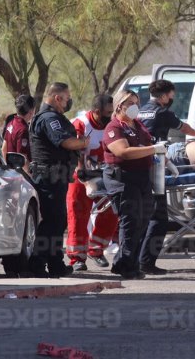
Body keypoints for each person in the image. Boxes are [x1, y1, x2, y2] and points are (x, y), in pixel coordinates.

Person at [137, 79, 195, 275]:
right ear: (164, 95)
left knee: (143, 216)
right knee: (159, 219)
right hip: (154, 166)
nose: (172, 99)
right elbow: (182, 127)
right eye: (171, 95)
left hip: (139, 165)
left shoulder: (141, 110)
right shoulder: (162, 112)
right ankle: (146, 262)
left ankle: (136, 260)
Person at [102, 89, 166, 280]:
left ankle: (129, 263)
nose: (134, 106)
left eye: (136, 102)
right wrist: (153, 149)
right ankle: (125, 265)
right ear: (119, 105)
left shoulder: (138, 125)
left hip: (142, 177)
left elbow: (147, 146)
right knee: (130, 222)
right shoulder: (114, 127)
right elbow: (123, 152)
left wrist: (161, 155)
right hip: (123, 178)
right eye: (130, 103)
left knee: (144, 221)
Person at [28, 82, 88, 278]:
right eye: (67, 98)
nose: (68, 102)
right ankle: (36, 265)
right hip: (49, 176)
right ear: (57, 98)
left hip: (56, 176)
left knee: (57, 222)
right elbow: (66, 142)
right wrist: (83, 142)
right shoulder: (49, 118)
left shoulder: (55, 117)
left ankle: (55, 264)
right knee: (52, 222)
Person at [65, 94, 118, 272]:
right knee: (78, 214)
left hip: (104, 174)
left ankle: (96, 249)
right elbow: (77, 153)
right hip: (80, 174)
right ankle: (77, 258)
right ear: (96, 112)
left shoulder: (113, 124)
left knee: (112, 210)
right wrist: (85, 179)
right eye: (108, 112)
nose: (111, 116)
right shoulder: (80, 124)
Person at [2, 94, 36, 173]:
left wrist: (8, 170)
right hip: (21, 176)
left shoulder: (11, 123)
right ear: (31, 112)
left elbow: (4, 149)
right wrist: (32, 178)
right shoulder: (23, 129)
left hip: (11, 172)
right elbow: (22, 159)